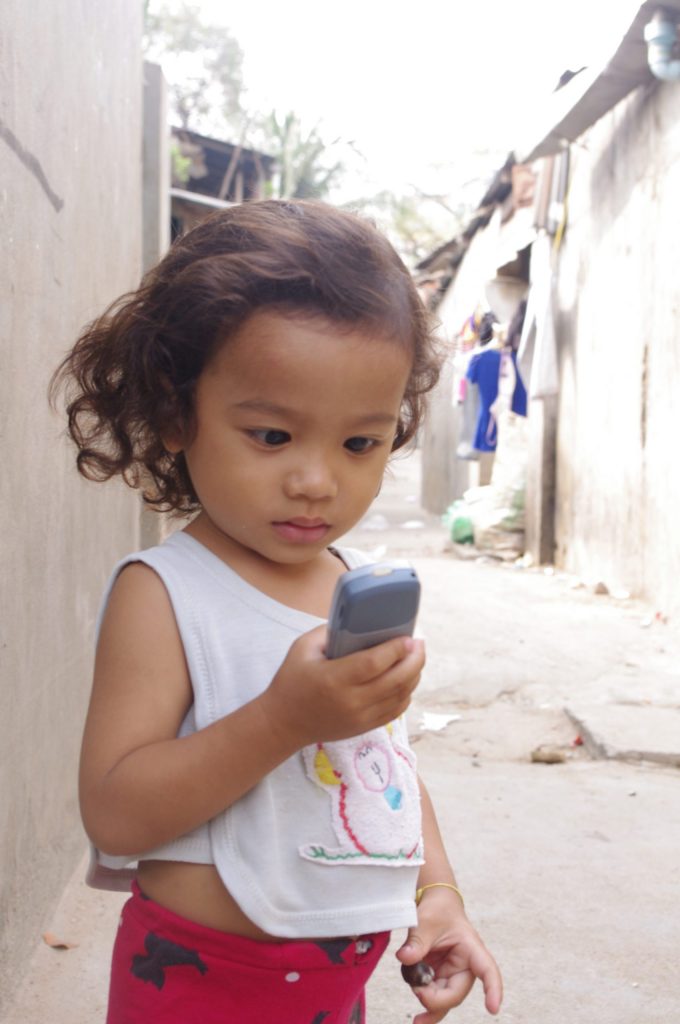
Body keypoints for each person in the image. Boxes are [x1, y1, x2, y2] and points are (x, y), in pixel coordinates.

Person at [51, 200, 503, 1024]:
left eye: (359, 444)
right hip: (196, 982)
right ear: (175, 414)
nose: (317, 481)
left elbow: (384, 771)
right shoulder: (166, 593)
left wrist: (437, 892)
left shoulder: (358, 583)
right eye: (271, 435)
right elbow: (114, 812)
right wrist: (282, 720)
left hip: (339, 983)